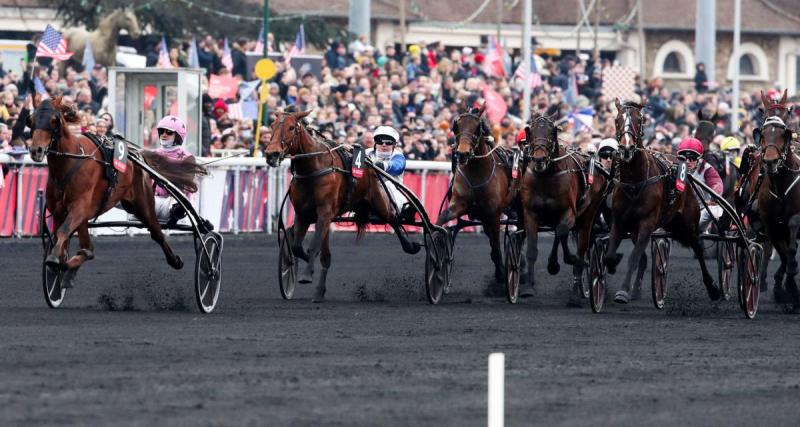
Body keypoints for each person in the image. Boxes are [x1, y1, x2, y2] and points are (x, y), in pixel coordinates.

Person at [141, 115, 195, 226]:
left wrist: (166, 179)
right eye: (161, 131)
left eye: (169, 132)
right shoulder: (153, 154)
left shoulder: (188, 158)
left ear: (178, 136)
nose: (164, 134)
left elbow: (186, 186)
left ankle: (177, 212)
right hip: (153, 201)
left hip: (173, 201)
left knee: (176, 204)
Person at [365, 125, 414, 221]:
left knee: (387, 184)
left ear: (394, 144)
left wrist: (383, 165)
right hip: (368, 188)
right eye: (380, 141)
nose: (384, 145)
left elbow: (398, 167)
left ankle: (400, 209)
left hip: (391, 189)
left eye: (388, 142)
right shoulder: (367, 153)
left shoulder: (398, 156)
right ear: (375, 142)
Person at [677, 137, 723, 232]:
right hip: (679, 213)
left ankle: (698, 231)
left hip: (700, 212)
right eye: (684, 158)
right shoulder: (673, 169)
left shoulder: (707, 169)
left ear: (699, 158)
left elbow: (717, 183)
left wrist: (713, 197)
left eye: (692, 158)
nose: (688, 162)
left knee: (715, 210)